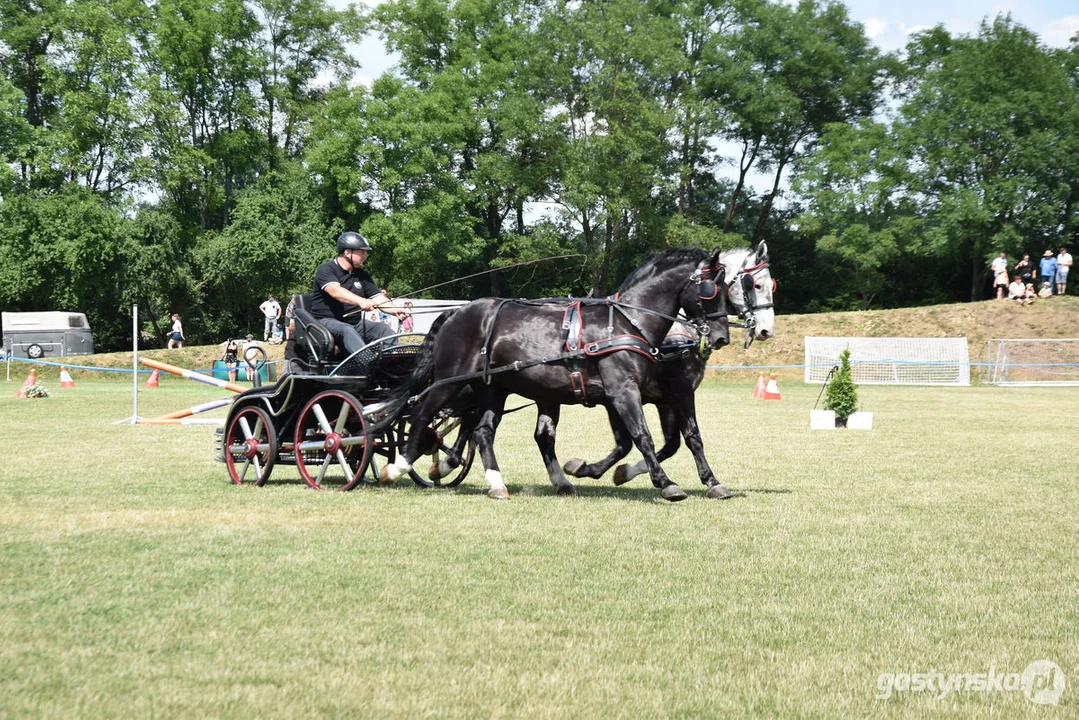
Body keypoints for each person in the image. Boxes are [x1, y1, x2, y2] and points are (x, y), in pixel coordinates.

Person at [308, 231, 411, 356]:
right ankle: (367, 364)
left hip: (354, 324)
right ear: (347, 252)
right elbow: (335, 291)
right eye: (362, 251)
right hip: (325, 322)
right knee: (347, 330)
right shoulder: (326, 269)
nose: (365, 255)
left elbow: (377, 298)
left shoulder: (362, 274)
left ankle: (389, 364)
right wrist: (361, 301)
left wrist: (395, 310)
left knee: (383, 330)